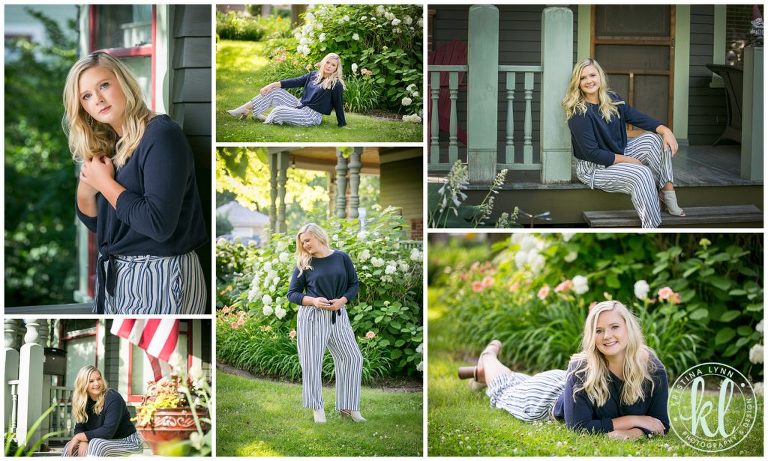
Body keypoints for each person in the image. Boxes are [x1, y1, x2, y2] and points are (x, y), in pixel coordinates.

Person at [62, 51, 208, 314]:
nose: (98, 99)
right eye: (86, 96)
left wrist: (104, 183)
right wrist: (86, 190)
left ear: (124, 82)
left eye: (104, 85)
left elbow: (157, 224)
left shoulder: (161, 136)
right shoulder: (111, 142)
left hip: (160, 273)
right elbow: (101, 224)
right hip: (118, 275)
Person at [458, 301, 669, 440]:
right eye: (599, 330)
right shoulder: (581, 369)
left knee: (516, 380)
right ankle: (489, 357)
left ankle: (480, 374)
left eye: (615, 327)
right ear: (592, 337)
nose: (607, 336)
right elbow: (578, 426)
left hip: (567, 385)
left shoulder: (652, 368)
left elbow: (660, 424)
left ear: (628, 328)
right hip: (546, 399)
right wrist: (635, 421)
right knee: (505, 387)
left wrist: (634, 434)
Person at [562, 58, 685, 228]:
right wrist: (629, 160)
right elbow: (592, 153)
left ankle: (667, 190)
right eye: (583, 78)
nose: (589, 81)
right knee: (642, 173)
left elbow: (636, 117)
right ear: (577, 82)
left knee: (655, 139)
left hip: (618, 151)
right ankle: (652, 227)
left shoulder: (612, 99)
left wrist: (665, 130)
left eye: (592, 75)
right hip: (594, 168)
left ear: (600, 76)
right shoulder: (579, 112)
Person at [287, 223, 364, 423]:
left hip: (338, 314)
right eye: (302, 242)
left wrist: (342, 301)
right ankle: (317, 409)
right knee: (312, 364)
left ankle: (349, 407)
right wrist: (313, 301)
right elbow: (292, 294)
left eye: (307, 240)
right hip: (312, 317)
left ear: (318, 236)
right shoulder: (304, 263)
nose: (305, 245)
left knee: (352, 358)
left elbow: (353, 284)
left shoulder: (341, 257)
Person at [226, 52, 347, 127]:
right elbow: (294, 81)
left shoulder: (336, 84)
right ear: (323, 62)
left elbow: (338, 104)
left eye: (333, 65)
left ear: (336, 69)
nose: (329, 66)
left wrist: (342, 124)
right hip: (300, 105)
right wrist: (271, 85)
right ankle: (244, 109)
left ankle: (265, 118)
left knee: (279, 111)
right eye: (328, 62)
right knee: (275, 91)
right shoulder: (314, 75)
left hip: (311, 116)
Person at [62, 366, 143, 457]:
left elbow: (107, 432)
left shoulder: (112, 397)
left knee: (96, 444)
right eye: (91, 381)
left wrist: (79, 437)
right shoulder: (83, 402)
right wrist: (83, 441)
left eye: (99, 379)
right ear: (83, 384)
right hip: (102, 441)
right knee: (70, 446)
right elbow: (79, 428)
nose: (96, 383)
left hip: (129, 442)